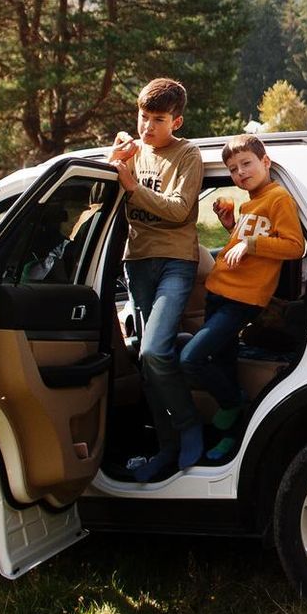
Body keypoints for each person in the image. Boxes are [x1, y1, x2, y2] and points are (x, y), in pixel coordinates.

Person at [183, 133, 305, 466]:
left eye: (246, 164)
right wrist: (231, 227)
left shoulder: (277, 198)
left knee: (190, 358)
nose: (240, 173)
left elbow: (294, 246)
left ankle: (234, 403)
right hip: (218, 293)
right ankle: (229, 440)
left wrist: (248, 244)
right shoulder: (250, 203)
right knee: (224, 365)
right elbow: (251, 243)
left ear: (265, 162)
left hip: (242, 299)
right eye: (233, 169)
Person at [111, 78, 205, 482]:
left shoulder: (188, 154)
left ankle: (188, 427)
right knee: (148, 364)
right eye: (143, 117)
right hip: (137, 263)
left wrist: (132, 187)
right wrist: (110, 162)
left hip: (175, 261)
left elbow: (181, 211)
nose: (147, 127)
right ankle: (166, 448)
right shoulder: (130, 153)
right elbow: (102, 202)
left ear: (176, 121)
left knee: (152, 350)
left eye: (158, 119)